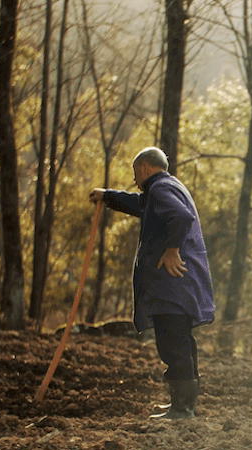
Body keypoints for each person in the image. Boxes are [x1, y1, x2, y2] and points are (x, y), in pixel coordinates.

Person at [89, 147, 214, 419]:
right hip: (179, 285)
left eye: (136, 173)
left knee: (172, 343)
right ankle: (184, 406)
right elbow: (139, 204)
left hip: (173, 285)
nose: (135, 180)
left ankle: (182, 409)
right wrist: (108, 197)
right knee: (181, 342)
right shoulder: (167, 187)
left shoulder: (159, 189)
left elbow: (181, 217)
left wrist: (171, 249)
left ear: (144, 168)